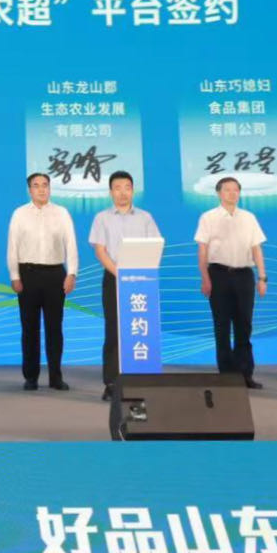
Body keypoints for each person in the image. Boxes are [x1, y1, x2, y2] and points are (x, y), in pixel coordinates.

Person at [88, 170, 160, 401]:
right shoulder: (102, 218)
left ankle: (142, 380)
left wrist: (141, 272)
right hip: (114, 278)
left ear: (133, 190)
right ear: (111, 192)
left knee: (140, 328)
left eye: (127, 187)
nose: (122, 193)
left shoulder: (145, 217)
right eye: (117, 188)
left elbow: (156, 245)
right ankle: (111, 383)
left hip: (142, 280)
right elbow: (100, 250)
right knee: (114, 330)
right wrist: (120, 273)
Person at [8, 172, 78, 391]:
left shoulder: (61, 213)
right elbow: (12, 246)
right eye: (36, 185)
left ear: (50, 188)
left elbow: (71, 244)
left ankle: (56, 376)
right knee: (29, 328)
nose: (41, 189)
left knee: (54, 328)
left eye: (45, 185)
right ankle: (31, 377)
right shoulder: (19, 214)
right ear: (29, 190)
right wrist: (15, 276)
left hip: (55, 274)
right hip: (27, 274)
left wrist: (71, 273)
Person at [195, 177, 268, 388]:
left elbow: (256, 248)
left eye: (236, 190)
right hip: (218, 274)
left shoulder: (249, 217)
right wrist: (205, 278)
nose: (232, 193)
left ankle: (245, 374)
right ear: (219, 193)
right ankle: (226, 376)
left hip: (244, 275)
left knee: (244, 325)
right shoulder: (208, 217)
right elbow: (202, 250)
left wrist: (262, 277)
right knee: (222, 325)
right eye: (227, 190)